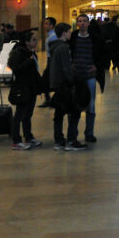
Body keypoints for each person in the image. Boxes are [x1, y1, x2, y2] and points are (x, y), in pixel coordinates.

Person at [48, 23, 85, 151]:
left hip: (57, 84)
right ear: (64, 33)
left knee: (59, 113)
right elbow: (66, 68)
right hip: (64, 84)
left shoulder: (55, 47)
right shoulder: (63, 47)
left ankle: (58, 140)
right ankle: (71, 140)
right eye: (69, 31)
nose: (71, 34)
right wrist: (73, 81)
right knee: (74, 111)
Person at [7, 31, 42, 150]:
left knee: (28, 114)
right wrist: (28, 62)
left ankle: (29, 137)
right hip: (23, 88)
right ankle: (16, 140)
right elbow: (15, 68)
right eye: (33, 40)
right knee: (20, 114)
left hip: (31, 87)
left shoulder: (31, 53)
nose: (36, 42)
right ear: (26, 42)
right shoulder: (20, 53)